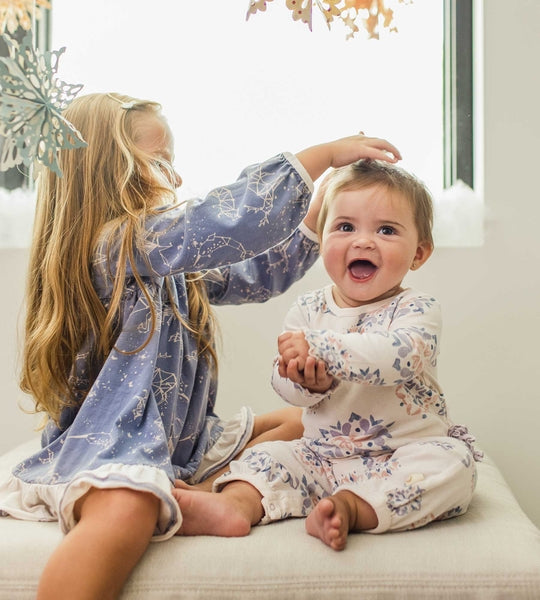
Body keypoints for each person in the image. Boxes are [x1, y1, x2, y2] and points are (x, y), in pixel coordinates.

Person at [0, 91, 401, 599]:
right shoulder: (116, 246)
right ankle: (151, 497)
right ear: (108, 169)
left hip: (180, 444)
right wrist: (320, 154)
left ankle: (203, 492)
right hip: (113, 447)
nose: (177, 179)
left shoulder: (166, 260)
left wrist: (317, 205)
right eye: (161, 162)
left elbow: (256, 273)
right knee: (126, 507)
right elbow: (224, 222)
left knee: (308, 420)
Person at [173, 159, 482, 551]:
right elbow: (284, 384)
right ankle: (232, 505)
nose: (363, 241)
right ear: (321, 241)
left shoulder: (416, 309)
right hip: (320, 458)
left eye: (386, 230)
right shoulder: (308, 310)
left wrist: (321, 349)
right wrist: (305, 382)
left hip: (402, 453)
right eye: (345, 227)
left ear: (419, 253)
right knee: (269, 457)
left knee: (455, 465)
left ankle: (353, 509)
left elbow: (397, 358)